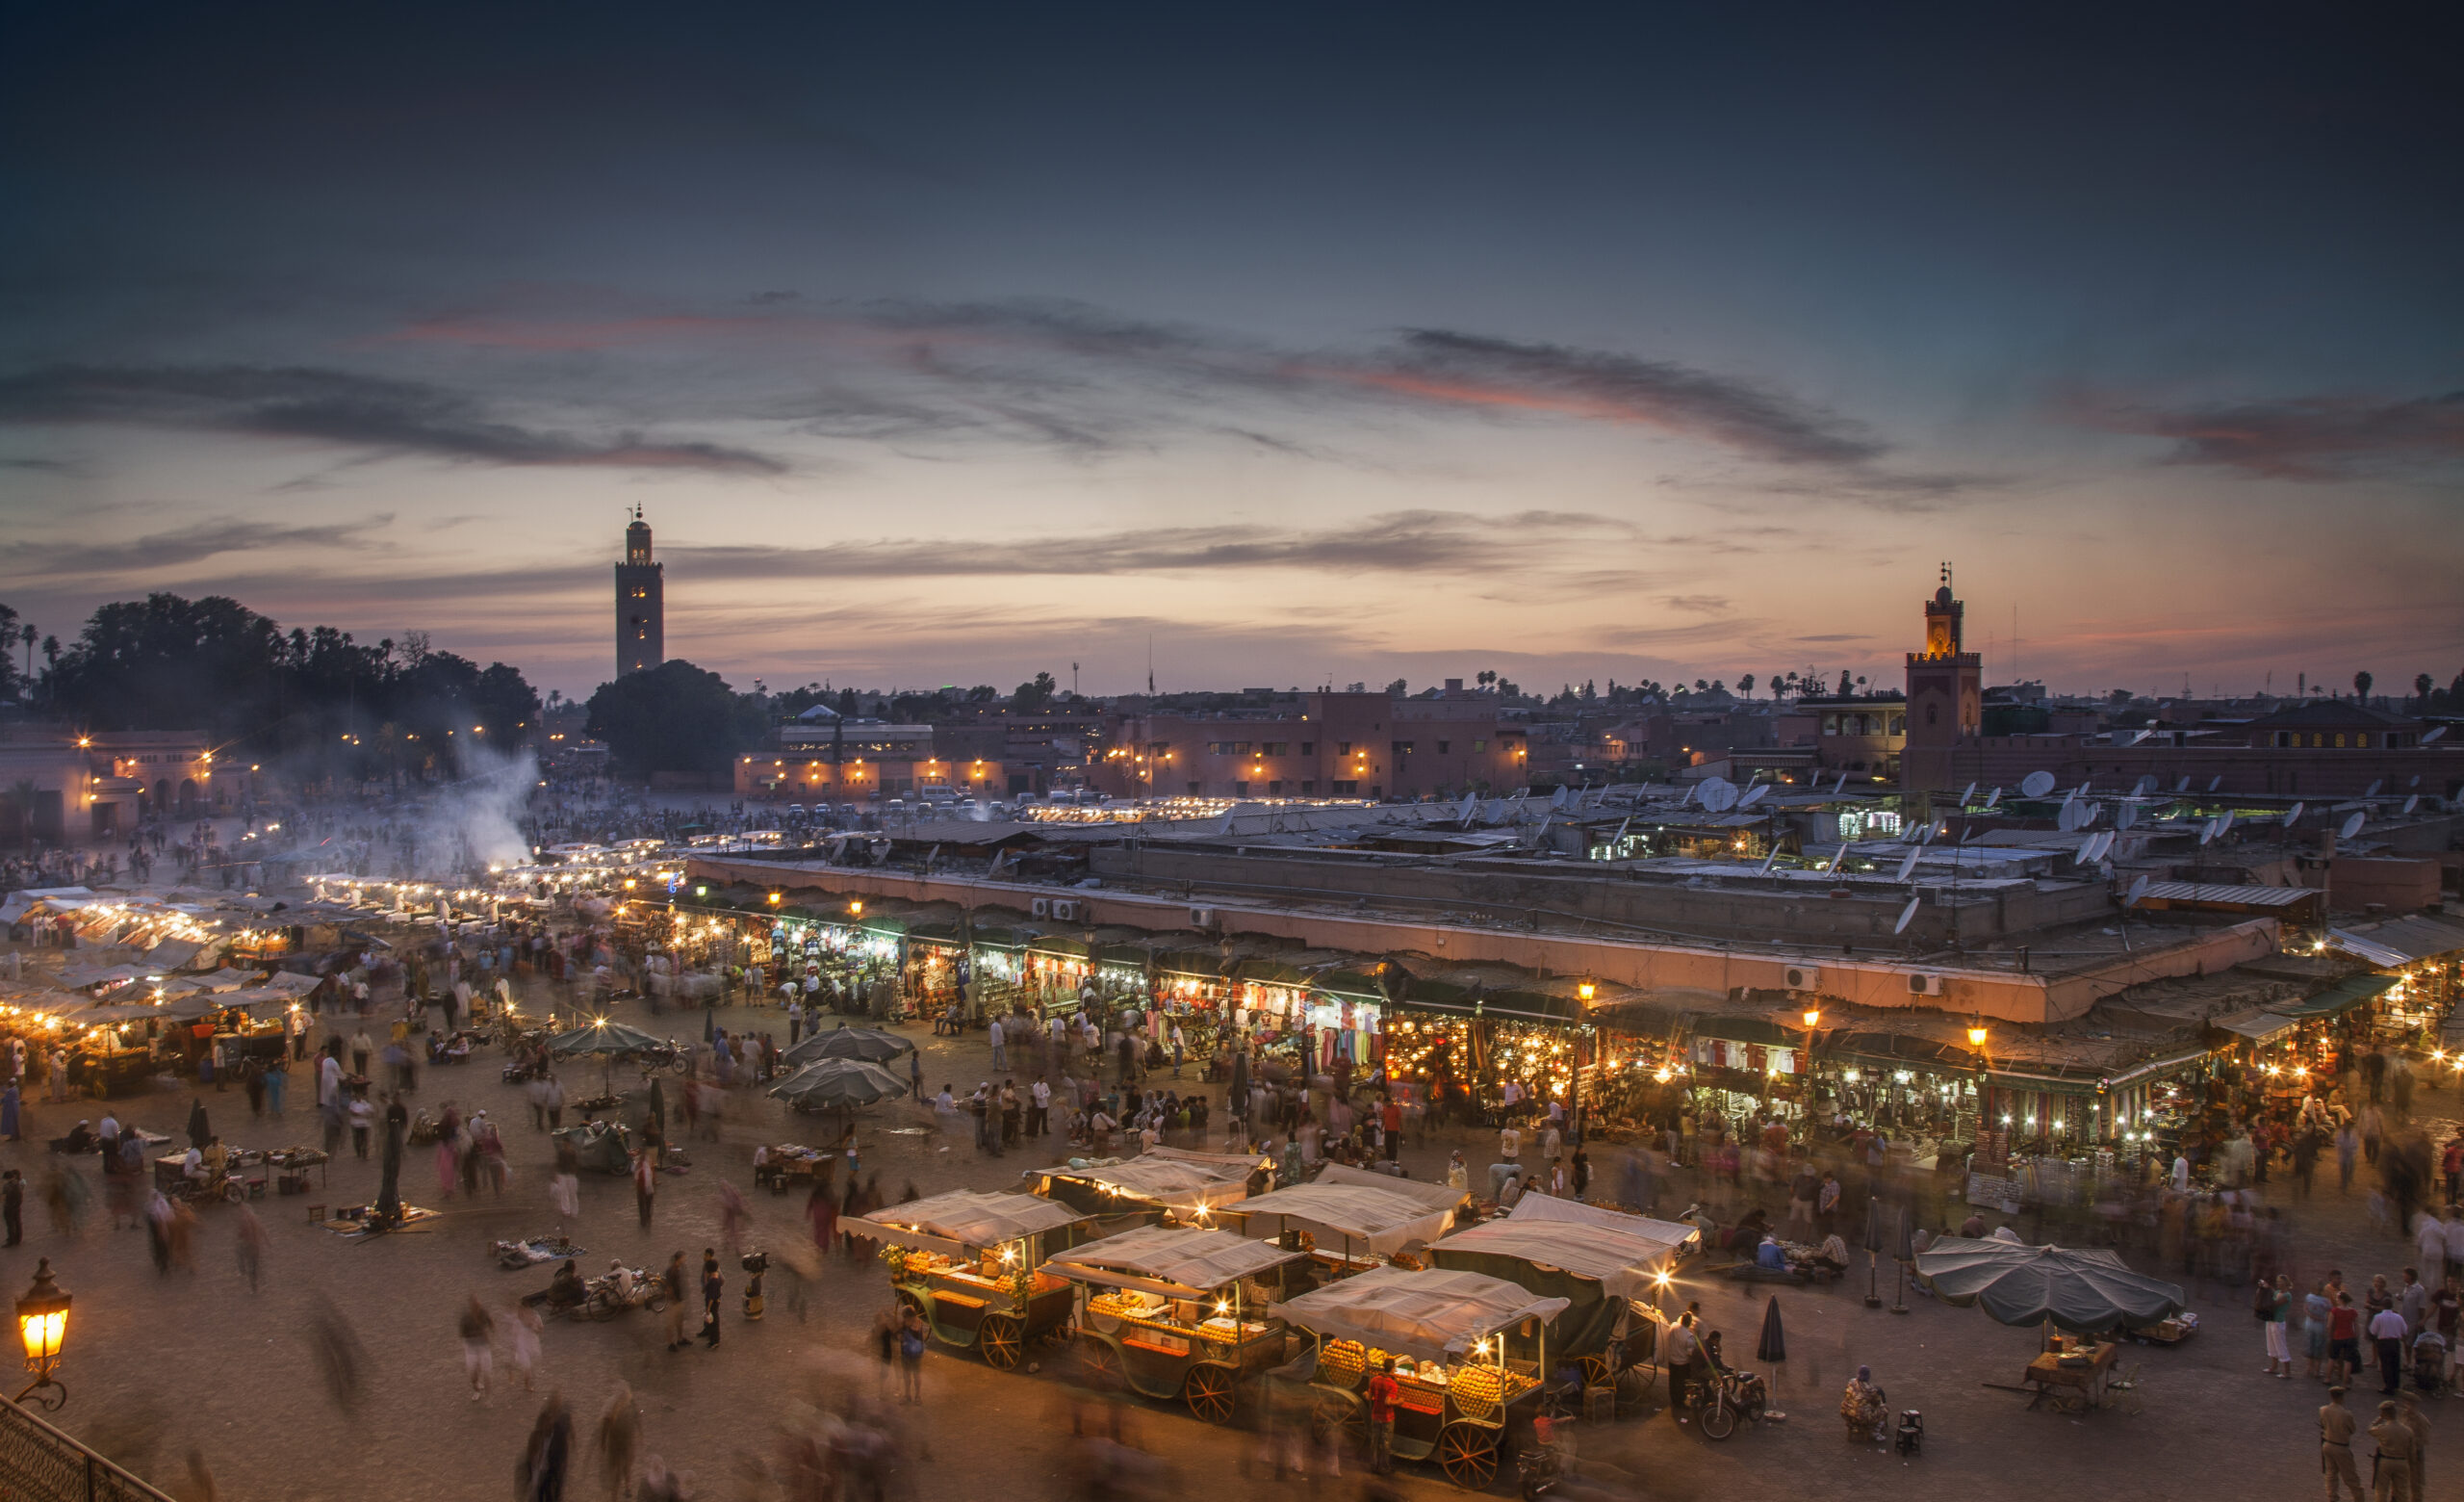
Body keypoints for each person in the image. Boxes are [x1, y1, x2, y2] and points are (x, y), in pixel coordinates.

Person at [2369, 1399, 2416, 1502]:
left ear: (2384, 1414)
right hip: (2402, 1462)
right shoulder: (2408, 1430)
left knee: (2381, 1491)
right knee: (2402, 1493)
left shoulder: (2383, 1428)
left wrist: (2379, 1419)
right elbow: (2412, 1452)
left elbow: (2370, 1429)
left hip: (2385, 1461)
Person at [2321, 1386, 2362, 1502]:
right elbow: (2352, 1429)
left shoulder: (2323, 1409)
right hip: (2341, 1447)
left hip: (2327, 1444)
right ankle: (2359, 1498)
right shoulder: (2346, 1414)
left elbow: (2323, 1424)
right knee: (2350, 1476)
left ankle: (2332, 1497)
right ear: (2341, 1397)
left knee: (2331, 1474)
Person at [1367, 1356, 1400, 1474]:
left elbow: (1369, 1396)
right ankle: (1384, 1466)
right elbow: (1388, 1402)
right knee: (1386, 1443)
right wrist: (1399, 1401)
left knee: (1374, 1441)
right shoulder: (1392, 1384)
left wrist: (1365, 1394)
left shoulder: (1375, 1380)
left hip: (1375, 1415)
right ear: (1392, 1369)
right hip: (1387, 1417)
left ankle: (1373, 1465)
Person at [460, 1296, 496, 1401]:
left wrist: (491, 1331)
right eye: (475, 1305)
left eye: (478, 1304)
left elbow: (491, 1322)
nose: (478, 1306)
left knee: (487, 1373)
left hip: (483, 1347)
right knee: (473, 1374)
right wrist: (476, 1334)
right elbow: (462, 1333)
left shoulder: (483, 1313)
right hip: (471, 1348)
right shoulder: (466, 1318)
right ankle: (476, 1389)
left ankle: (488, 1397)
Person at [2371, 1301, 2409, 1395]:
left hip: (2383, 1342)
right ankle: (2396, 1385)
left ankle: (2388, 1386)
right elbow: (2405, 1330)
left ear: (2383, 1306)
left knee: (2386, 1364)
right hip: (2395, 1342)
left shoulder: (2378, 1317)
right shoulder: (2398, 1317)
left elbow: (2373, 1331)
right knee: (2395, 1364)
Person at [1840, 1365, 1886, 1442]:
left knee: (1859, 1407)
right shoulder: (1870, 1389)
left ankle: (1855, 1427)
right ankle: (1876, 1432)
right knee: (1884, 1409)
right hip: (1862, 1418)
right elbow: (1877, 1403)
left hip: (1847, 1414)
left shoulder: (1851, 1382)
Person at [2265, 1274, 2295, 1378]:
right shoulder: (2277, 1292)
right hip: (2270, 1320)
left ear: (2285, 1283)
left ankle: (2287, 1372)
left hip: (2278, 1322)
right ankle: (2274, 1367)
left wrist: (2268, 1290)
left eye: (2280, 1282)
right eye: (2277, 1281)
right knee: (2271, 1344)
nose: (2278, 1283)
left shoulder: (2287, 1295)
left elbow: (2275, 1303)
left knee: (2280, 1345)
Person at [897, 1304, 926, 1403]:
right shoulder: (919, 1322)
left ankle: (908, 1395)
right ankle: (917, 1396)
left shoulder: (907, 1324)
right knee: (915, 1374)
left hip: (907, 1353)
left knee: (908, 1374)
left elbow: (900, 1337)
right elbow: (922, 1337)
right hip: (916, 1353)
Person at [698, 1249, 723, 1348]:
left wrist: (708, 1307)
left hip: (713, 1303)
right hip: (714, 1301)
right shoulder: (713, 1279)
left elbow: (712, 1296)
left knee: (714, 1322)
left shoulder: (713, 1281)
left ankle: (714, 1341)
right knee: (712, 1321)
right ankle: (712, 1338)